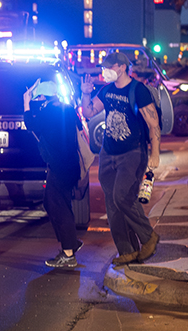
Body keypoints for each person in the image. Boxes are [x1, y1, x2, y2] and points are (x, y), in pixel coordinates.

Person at [81, 52, 160, 265]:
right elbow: (88, 112)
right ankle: (127, 251)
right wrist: (86, 94)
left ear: (122, 67)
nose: (104, 71)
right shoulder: (106, 90)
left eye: (109, 67)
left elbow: (153, 124)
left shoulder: (138, 90)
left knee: (122, 196)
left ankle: (148, 237)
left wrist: (155, 153)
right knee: (112, 204)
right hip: (108, 152)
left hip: (132, 153)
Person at [23, 79, 83, 268]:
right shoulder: (67, 108)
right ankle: (71, 243)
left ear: (43, 97)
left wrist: (25, 101)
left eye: (38, 97)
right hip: (71, 165)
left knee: (58, 207)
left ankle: (68, 253)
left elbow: (29, 123)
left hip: (58, 167)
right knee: (54, 204)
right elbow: (79, 128)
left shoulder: (48, 112)